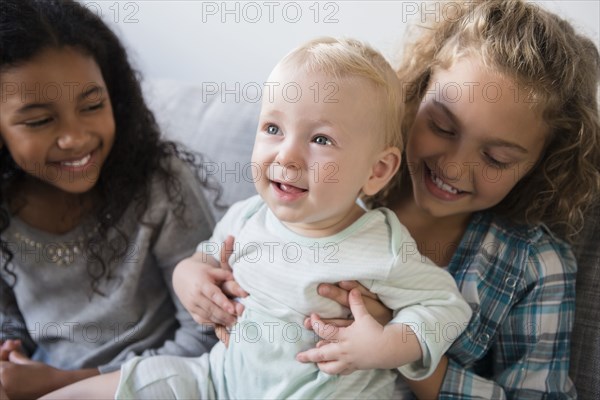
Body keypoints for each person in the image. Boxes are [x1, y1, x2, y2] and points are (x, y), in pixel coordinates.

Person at [42, 37, 472, 400]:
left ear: (376, 171)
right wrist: (190, 279)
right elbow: (204, 259)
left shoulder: (383, 247)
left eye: (320, 139)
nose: (286, 154)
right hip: (217, 382)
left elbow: (445, 307)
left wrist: (385, 347)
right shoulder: (247, 215)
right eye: (272, 129)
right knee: (138, 383)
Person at [292, 1, 600, 398]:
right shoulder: (343, 175)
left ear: (543, 163)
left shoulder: (533, 266)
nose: (453, 168)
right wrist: (197, 276)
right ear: (418, 91)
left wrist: (402, 346)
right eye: (441, 126)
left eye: (496, 158)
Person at [0, 0, 220, 398]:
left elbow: (210, 335)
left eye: (92, 105)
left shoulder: (158, 182)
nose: (76, 138)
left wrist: (63, 384)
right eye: (39, 120)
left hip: (159, 383)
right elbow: (10, 324)